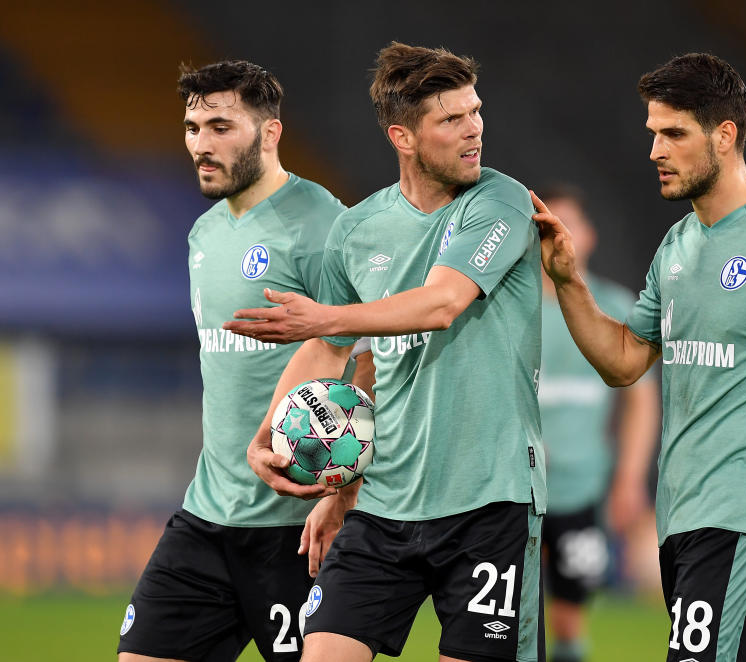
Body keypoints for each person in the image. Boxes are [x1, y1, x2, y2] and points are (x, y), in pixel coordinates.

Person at [533, 53, 746, 661]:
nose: (655, 151)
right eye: (653, 134)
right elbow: (623, 362)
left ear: (724, 136)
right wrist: (567, 281)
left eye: (674, 134)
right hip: (682, 518)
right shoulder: (679, 243)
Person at [224, 42, 546, 662]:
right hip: (384, 502)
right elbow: (329, 349)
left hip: (489, 501)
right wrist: (267, 436)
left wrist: (327, 316)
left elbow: (441, 302)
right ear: (403, 136)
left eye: (475, 111)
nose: (474, 128)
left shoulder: (500, 200)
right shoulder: (357, 230)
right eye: (451, 119)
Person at [118, 60, 373, 662]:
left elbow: (369, 356)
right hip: (206, 515)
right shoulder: (203, 234)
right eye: (192, 127)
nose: (201, 146)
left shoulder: (322, 225)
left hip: (296, 529)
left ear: (269, 132)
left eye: (220, 127)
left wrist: (345, 495)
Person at [535, 185, 660, 662]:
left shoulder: (616, 304)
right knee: (507, 616)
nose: (560, 233)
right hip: (512, 486)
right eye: (549, 223)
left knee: (570, 615)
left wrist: (628, 478)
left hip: (582, 486)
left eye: (570, 222)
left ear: (589, 235)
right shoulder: (510, 306)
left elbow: (641, 401)